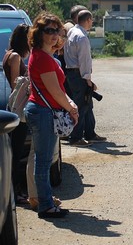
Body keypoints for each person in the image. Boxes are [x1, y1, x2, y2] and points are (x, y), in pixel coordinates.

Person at [24, 12, 78, 218]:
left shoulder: (44, 56)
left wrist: (69, 103)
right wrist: (72, 109)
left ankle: (45, 200)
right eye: (49, 31)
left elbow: (58, 90)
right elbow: (55, 91)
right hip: (42, 112)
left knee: (44, 160)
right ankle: (45, 205)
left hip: (43, 111)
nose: (55, 35)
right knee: (44, 161)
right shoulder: (43, 59)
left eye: (57, 30)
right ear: (39, 33)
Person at [64, 10, 106, 146]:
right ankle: (76, 137)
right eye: (91, 20)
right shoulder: (82, 37)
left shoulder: (72, 32)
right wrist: (88, 79)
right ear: (88, 20)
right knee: (81, 106)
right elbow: (84, 60)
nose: (92, 23)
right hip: (79, 75)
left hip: (72, 73)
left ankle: (90, 133)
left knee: (87, 105)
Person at [2, 23, 31, 205]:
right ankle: (15, 190)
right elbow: (16, 85)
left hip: (15, 107)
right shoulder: (14, 57)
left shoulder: (10, 54)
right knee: (16, 152)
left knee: (16, 151)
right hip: (17, 109)